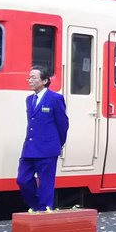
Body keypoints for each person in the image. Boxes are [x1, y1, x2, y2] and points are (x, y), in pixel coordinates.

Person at [18, 66, 69, 212]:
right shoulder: (29, 100)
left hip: (48, 148)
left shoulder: (55, 99)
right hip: (29, 148)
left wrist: (58, 143)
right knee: (23, 179)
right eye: (29, 77)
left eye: (33, 77)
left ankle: (44, 211)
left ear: (45, 80)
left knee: (46, 184)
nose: (30, 80)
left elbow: (63, 124)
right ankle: (36, 206)